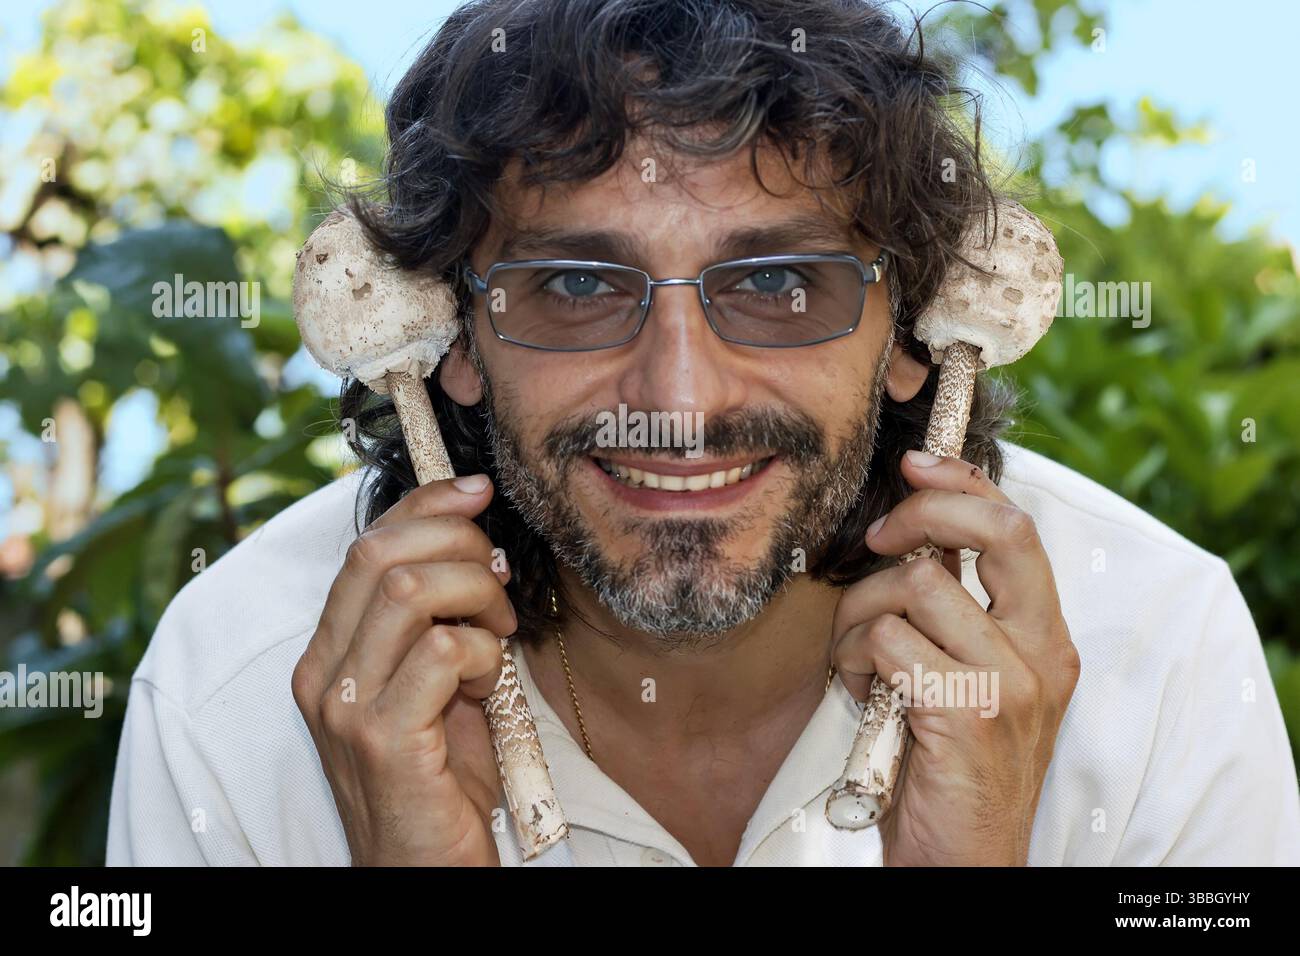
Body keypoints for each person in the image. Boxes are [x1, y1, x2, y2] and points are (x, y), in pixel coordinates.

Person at [107, 0, 1300, 866]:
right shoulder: (240, 691)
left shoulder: (1157, 658)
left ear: (913, 329)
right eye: (575, 287)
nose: (678, 398)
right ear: (448, 336)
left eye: (779, 285)